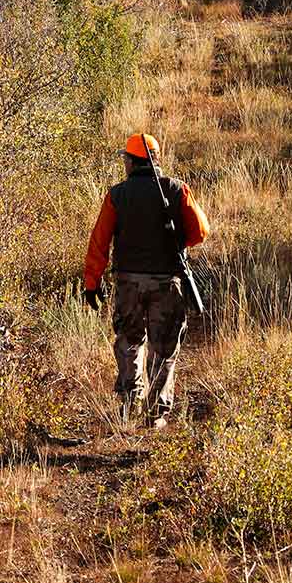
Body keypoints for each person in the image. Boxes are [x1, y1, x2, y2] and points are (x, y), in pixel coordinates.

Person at [81, 132, 210, 428]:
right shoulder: (177, 190)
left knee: (129, 341)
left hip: (127, 283)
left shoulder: (117, 195)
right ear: (155, 160)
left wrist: (92, 283)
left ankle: (129, 403)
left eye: (125, 158)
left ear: (131, 161)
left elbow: (98, 243)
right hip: (168, 283)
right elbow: (200, 232)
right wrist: (176, 241)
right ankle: (156, 415)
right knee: (163, 348)